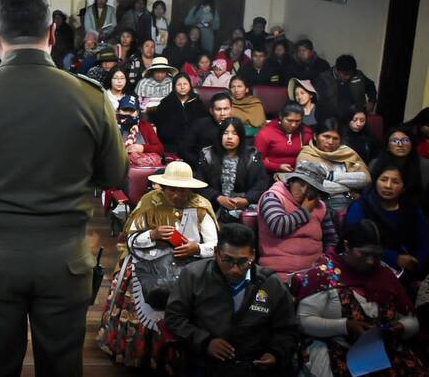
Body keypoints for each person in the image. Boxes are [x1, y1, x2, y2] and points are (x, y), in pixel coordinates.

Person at [0, 0, 127, 377]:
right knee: (62, 367)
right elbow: (114, 175)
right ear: (52, 34)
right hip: (65, 261)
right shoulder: (90, 97)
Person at [97, 162, 218, 370]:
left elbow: (215, 245)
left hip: (191, 266)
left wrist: (195, 248)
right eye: (172, 189)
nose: (177, 195)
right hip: (148, 263)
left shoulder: (201, 207)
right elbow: (130, 240)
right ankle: (141, 354)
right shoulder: (149, 203)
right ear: (163, 187)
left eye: (182, 190)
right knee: (132, 282)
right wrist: (152, 235)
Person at [164, 223, 298, 376]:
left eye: (242, 261)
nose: (235, 269)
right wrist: (204, 342)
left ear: (253, 255)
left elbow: (288, 330)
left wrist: (276, 354)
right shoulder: (194, 275)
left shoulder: (271, 284)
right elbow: (174, 318)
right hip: (206, 363)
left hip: (253, 365)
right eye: (227, 260)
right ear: (216, 252)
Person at [295, 219, 425, 377]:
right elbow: (303, 321)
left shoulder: (385, 275)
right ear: (347, 245)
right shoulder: (323, 275)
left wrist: (400, 326)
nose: (370, 261)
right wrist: (345, 326)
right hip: (335, 348)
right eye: (364, 254)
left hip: (382, 350)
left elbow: (411, 319)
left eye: (376, 256)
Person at [346, 164, 429, 283]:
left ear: (403, 187)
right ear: (375, 182)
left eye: (395, 182)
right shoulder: (361, 207)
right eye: (383, 180)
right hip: (369, 269)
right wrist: (395, 258)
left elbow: (425, 240)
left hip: (411, 272)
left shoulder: (412, 208)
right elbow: (356, 244)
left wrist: (416, 263)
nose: (388, 186)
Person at [257, 161, 339, 280]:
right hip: (277, 274)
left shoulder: (320, 206)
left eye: (311, 188)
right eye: (300, 183)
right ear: (291, 181)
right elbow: (278, 227)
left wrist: (326, 261)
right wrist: (305, 211)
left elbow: (331, 240)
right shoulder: (273, 197)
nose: (304, 191)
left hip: (314, 274)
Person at [196, 117, 269, 222]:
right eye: (225, 133)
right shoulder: (208, 155)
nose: (229, 137)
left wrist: (246, 200)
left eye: (234, 133)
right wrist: (218, 197)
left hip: (242, 208)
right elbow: (199, 183)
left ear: (241, 137)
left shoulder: (251, 156)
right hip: (213, 205)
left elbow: (260, 185)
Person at [297, 117, 371, 214]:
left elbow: (365, 179)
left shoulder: (346, 153)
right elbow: (314, 186)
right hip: (318, 206)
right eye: (326, 136)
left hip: (349, 204)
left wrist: (331, 176)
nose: (330, 142)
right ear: (315, 136)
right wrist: (350, 186)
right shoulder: (306, 155)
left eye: (335, 138)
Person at [369, 125, 429, 210]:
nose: (400, 145)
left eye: (405, 140)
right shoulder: (375, 164)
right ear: (387, 146)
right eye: (394, 141)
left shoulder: (425, 167)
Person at [149, 73, 208, 154]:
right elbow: (160, 126)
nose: (182, 87)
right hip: (171, 145)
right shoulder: (166, 103)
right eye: (179, 84)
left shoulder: (197, 101)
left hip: (194, 145)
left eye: (185, 84)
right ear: (174, 87)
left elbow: (203, 125)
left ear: (190, 86)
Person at [255, 101, 313, 174]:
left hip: (299, 175)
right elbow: (256, 160)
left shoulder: (306, 133)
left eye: (298, 121)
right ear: (281, 117)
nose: (293, 125)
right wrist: (277, 167)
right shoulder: (266, 133)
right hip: (271, 174)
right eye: (289, 120)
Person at [181, 92, 233, 168]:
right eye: (218, 109)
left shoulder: (236, 126)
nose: (222, 113)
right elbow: (184, 150)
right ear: (211, 111)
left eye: (226, 109)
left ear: (232, 109)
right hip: (202, 168)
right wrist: (201, 163)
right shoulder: (200, 124)